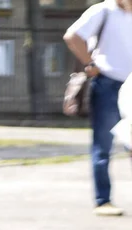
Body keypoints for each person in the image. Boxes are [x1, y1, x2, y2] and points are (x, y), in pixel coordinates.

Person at [64, 0, 132, 216]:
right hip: (108, 84)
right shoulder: (103, 10)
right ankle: (103, 200)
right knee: (103, 146)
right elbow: (72, 36)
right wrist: (90, 64)